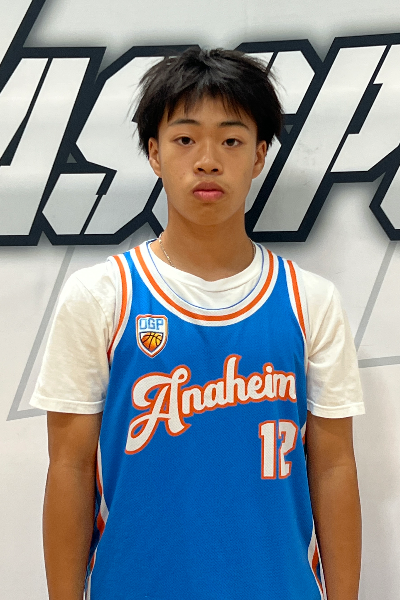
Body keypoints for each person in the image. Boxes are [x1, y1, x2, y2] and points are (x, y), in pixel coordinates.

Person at [30, 47, 364, 600]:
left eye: (231, 140)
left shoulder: (311, 301)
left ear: (259, 156)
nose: (207, 160)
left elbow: (334, 468)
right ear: (154, 152)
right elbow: (69, 467)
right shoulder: (101, 296)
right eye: (185, 139)